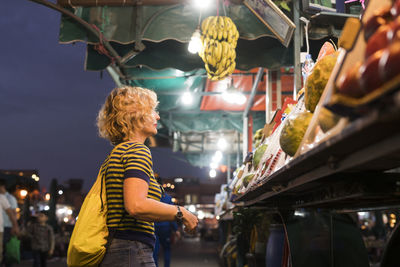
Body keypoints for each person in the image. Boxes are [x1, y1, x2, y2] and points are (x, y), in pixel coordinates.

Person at [97, 86, 198, 267]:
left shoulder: (117, 152)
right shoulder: (137, 151)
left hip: (117, 249)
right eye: (152, 111)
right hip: (131, 251)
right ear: (134, 115)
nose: (157, 117)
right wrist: (181, 213)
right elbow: (136, 206)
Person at [153, 193, 181, 267]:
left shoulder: (152, 195)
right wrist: (176, 229)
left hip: (154, 227)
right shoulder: (168, 198)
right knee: (167, 249)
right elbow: (172, 214)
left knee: (154, 250)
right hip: (165, 228)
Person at [0, 179, 19, 265]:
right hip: (3, 227)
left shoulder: (10, 198)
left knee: (7, 251)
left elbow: (13, 213)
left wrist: (14, 226)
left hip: (7, 227)